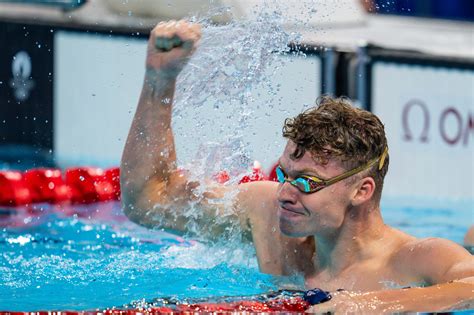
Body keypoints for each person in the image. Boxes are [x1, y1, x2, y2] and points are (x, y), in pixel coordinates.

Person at [121, 20, 473, 313]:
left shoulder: (411, 260)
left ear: (361, 190)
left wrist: (375, 304)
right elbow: (148, 202)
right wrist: (159, 81)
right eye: (284, 175)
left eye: (307, 182)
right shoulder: (265, 215)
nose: (285, 193)